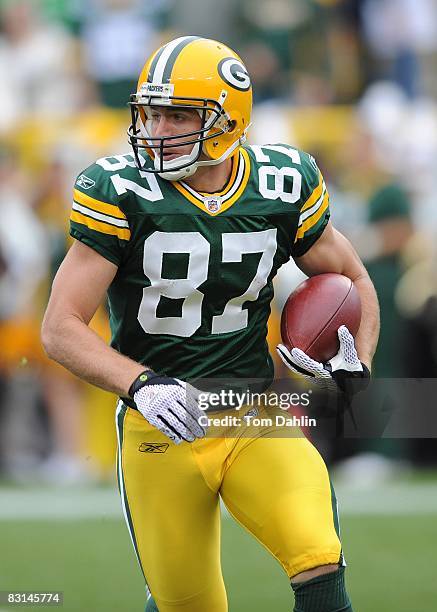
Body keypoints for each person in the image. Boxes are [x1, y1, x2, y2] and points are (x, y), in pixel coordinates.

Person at [41, 36, 379, 612]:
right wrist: (142, 385)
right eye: (151, 112)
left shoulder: (282, 182)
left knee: (317, 555)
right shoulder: (121, 191)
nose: (158, 127)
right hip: (163, 423)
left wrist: (358, 359)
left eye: (179, 114)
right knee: (189, 604)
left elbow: (354, 280)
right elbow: (60, 327)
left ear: (228, 117)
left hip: (252, 408)